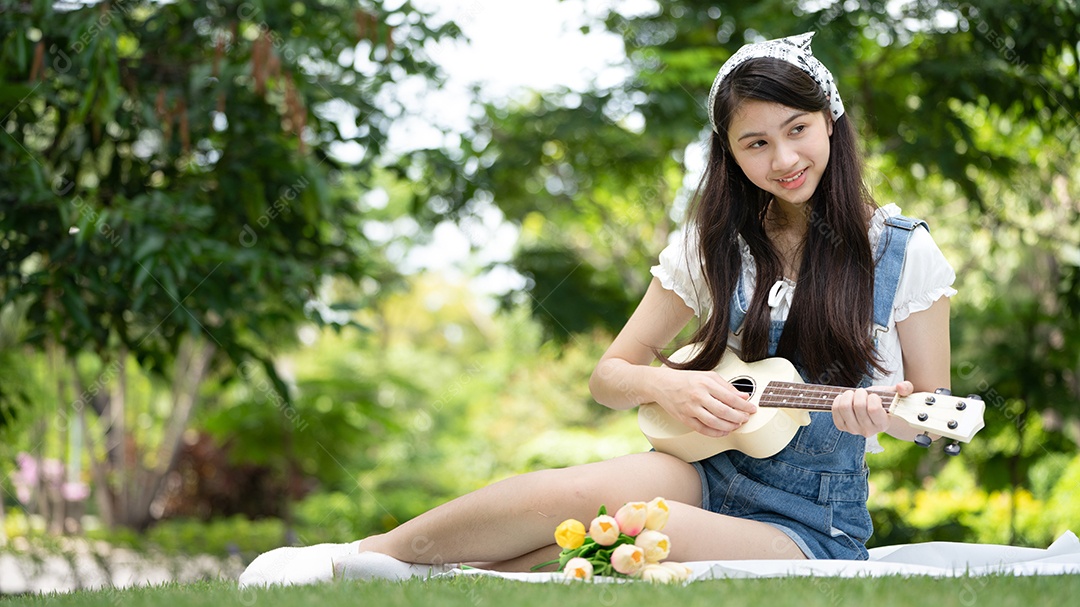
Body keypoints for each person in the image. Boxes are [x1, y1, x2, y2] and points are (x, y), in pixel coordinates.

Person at [238, 31, 956, 587]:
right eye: (756, 143)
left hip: (810, 522)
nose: (784, 159)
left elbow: (931, 414)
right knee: (579, 489)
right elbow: (609, 375)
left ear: (831, 121)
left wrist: (882, 413)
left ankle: (436, 577)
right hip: (706, 467)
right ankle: (361, 556)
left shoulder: (901, 253)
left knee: (637, 527)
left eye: (797, 129)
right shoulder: (715, 247)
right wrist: (666, 385)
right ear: (731, 154)